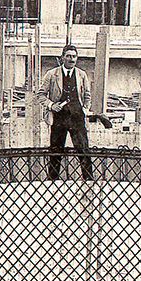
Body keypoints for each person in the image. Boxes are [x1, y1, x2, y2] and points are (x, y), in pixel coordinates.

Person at [37, 44, 94, 181]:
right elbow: (40, 95)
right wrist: (51, 105)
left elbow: (87, 95)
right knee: (56, 151)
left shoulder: (82, 75)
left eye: (74, 56)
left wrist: (84, 110)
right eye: (68, 56)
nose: (71, 59)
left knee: (84, 151)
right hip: (59, 119)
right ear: (62, 57)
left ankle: (89, 181)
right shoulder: (52, 74)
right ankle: (52, 183)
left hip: (77, 118)